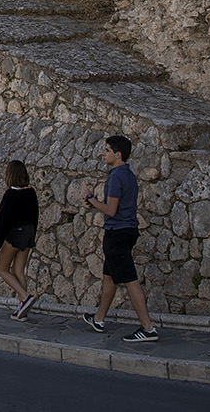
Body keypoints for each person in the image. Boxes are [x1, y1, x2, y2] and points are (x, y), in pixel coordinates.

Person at [80, 135, 158, 342]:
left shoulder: (115, 177)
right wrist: (96, 202)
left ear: (118, 154)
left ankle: (148, 328)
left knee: (130, 280)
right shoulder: (129, 175)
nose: (103, 153)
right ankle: (99, 319)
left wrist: (91, 199)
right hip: (128, 229)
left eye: (107, 150)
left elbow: (111, 210)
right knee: (109, 276)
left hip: (117, 233)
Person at [0, 159, 39, 321]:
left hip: (15, 234)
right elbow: (35, 215)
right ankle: (22, 309)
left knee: (3, 269)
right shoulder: (31, 192)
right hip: (28, 233)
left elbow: (2, 220)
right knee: (19, 271)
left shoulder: (11, 194)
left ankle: (24, 297)